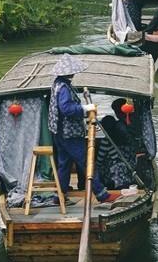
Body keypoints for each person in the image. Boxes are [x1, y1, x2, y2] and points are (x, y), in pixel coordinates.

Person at [48, 56, 113, 203]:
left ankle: (59, 195)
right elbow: (66, 109)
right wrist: (85, 108)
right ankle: (102, 194)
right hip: (69, 133)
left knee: (64, 164)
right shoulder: (63, 88)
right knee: (86, 161)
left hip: (59, 133)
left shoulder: (57, 84)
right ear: (69, 73)